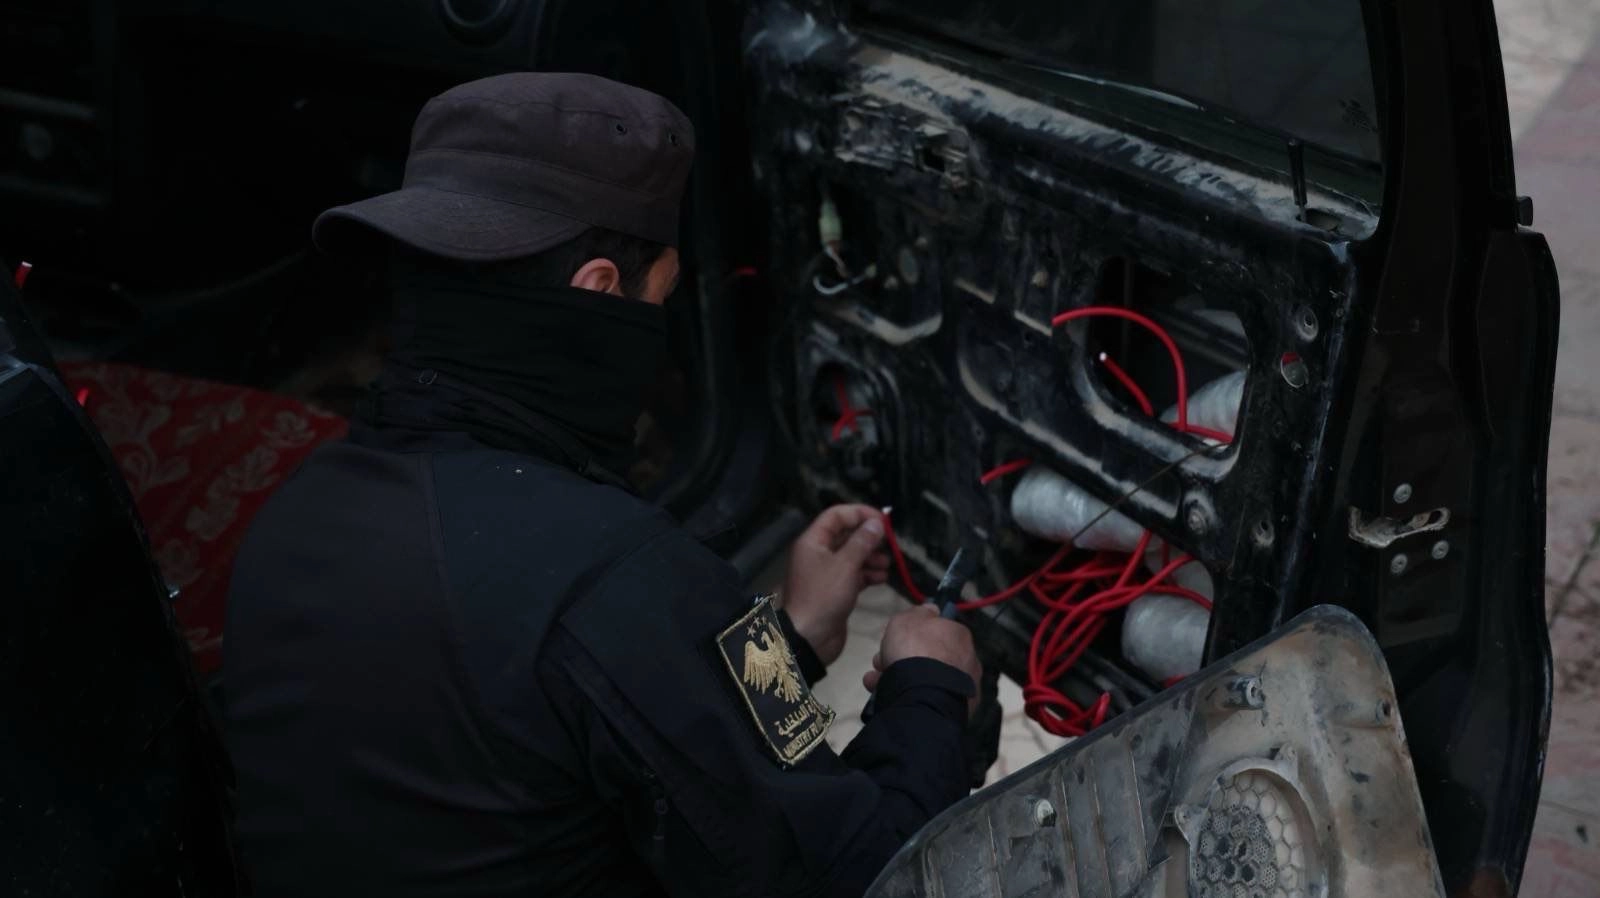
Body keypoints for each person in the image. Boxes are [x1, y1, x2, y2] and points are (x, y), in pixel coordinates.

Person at [224, 72, 981, 898]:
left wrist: (782, 643)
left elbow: (582, 713)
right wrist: (931, 688)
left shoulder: (298, 511)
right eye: (663, 292)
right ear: (599, 293)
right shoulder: (612, 576)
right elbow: (862, 876)